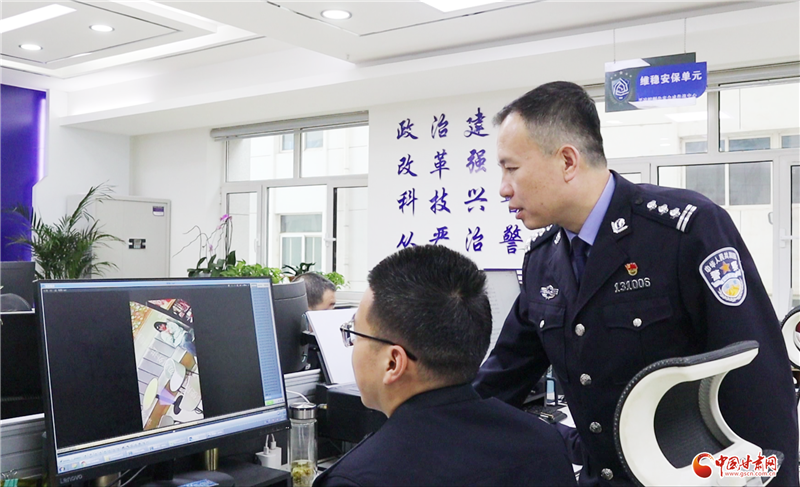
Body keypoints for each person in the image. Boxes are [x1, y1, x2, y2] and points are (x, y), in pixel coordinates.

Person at [474, 81, 798, 486]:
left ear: (568, 161)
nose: (503, 188)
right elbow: (500, 379)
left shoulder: (685, 233)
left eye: (511, 168)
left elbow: (759, 385)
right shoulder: (542, 262)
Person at [313, 245, 576, 487]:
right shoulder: (544, 443)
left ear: (393, 362)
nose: (352, 345)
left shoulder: (355, 479)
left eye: (355, 334)